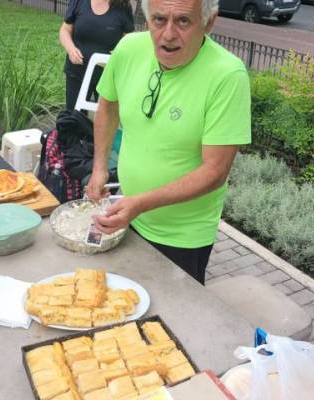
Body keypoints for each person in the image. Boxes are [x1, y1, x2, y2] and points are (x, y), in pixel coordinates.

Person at [86, 0, 251, 284]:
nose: (169, 34)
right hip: (129, 217)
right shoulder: (128, 49)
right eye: (159, 20)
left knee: (168, 323)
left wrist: (140, 203)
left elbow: (215, 172)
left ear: (209, 22)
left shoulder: (228, 75)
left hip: (182, 238)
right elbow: (107, 106)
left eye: (184, 21)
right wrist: (99, 166)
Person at [59, 0, 135, 111]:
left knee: (106, 118)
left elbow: (130, 41)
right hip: (77, 73)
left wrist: (118, 55)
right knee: (74, 118)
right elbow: (65, 30)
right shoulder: (78, 2)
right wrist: (71, 49)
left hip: (108, 76)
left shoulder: (123, 7)